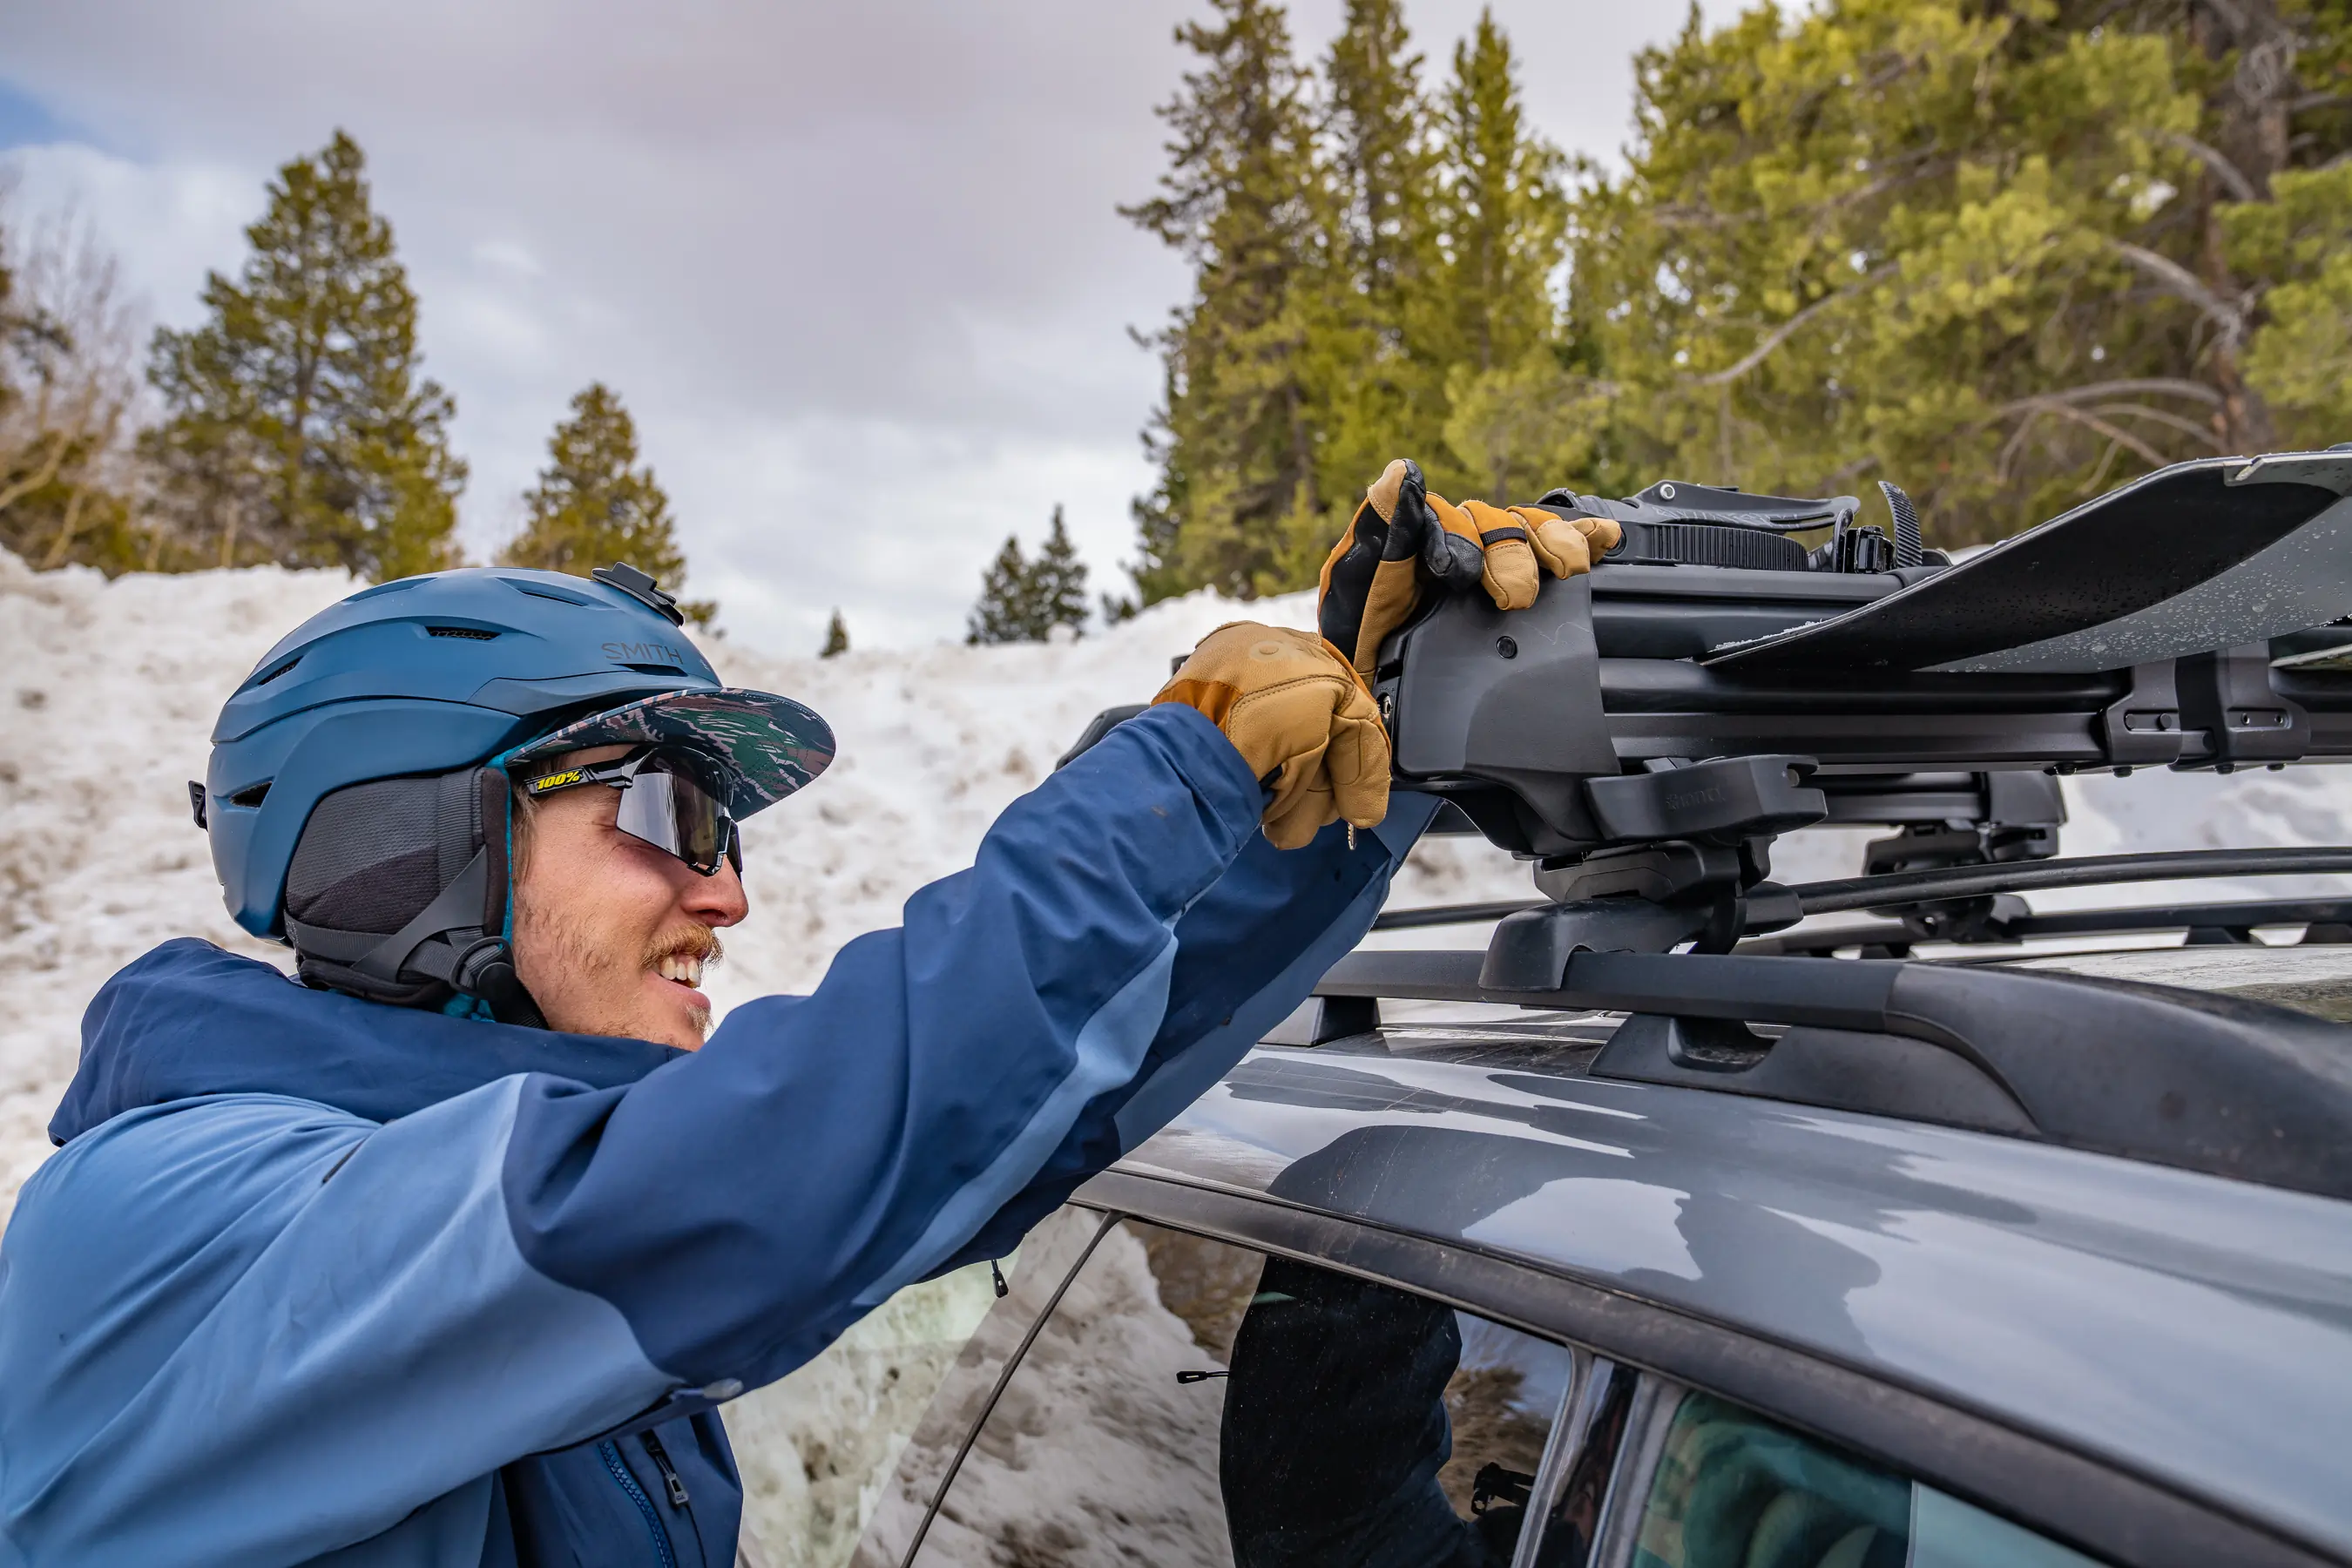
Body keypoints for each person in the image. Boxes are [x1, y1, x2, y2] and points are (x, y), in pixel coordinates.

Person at [0, 463, 1616, 1565]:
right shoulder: (176, 1218)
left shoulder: (504, 1229)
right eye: (662, 811)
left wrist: (1351, 769)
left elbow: (1002, 1118)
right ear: (410, 841)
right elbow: (763, 1182)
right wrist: (1168, 780)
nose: (726, 895)